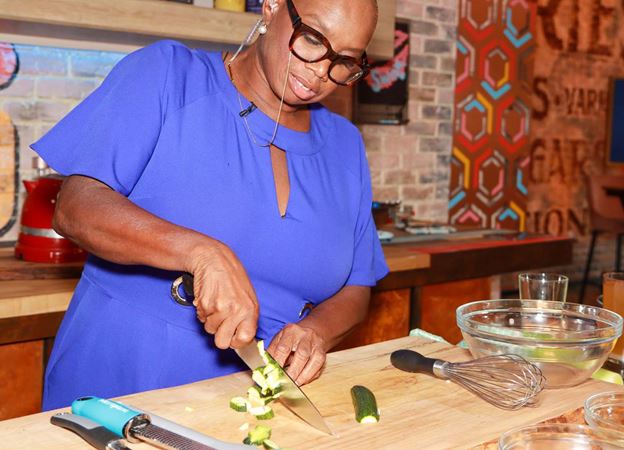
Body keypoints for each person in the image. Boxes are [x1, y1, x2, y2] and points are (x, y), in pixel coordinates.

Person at [34, 0, 387, 410]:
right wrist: (201, 253)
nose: (322, 71)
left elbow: (358, 286)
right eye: (312, 40)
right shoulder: (168, 75)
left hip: (254, 405)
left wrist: (316, 332)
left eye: (345, 61)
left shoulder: (345, 145)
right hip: (120, 384)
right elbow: (76, 207)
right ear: (272, 6)